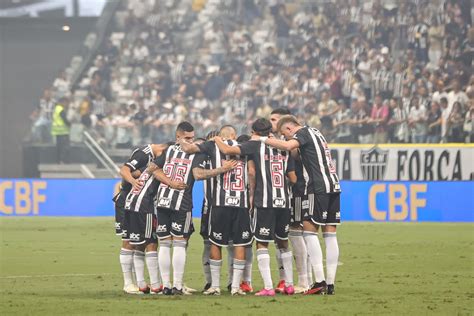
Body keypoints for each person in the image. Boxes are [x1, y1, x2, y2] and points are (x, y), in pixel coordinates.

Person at [151, 122, 237, 295]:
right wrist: (222, 169)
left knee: (166, 244)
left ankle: (167, 286)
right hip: (181, 202)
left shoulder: (168, 151)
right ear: (178, 136)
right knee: (178, 244)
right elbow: (198, 175)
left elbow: (153, 168)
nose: (191, 141)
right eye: (188, 138)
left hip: (162, 200)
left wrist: (168, 182)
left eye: (192, 137)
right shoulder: (195, 154)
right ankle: (174, 286)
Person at [214, 118, 297, 297]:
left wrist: (216, 139)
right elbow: (293, 178)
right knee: (283, 243)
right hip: (283, 201)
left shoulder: (253, 145)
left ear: (254, 131)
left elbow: (229, 151)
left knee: (262, 244)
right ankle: (289, 284)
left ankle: (268, 287)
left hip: (264, 202)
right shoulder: (283, 146)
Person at [262, 115, 341, 295]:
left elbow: (290, 146)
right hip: (334, 185)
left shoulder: (302, 133)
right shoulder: (316, 132)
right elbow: (297, 152)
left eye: (285, 134)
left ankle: (319, 281)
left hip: (317, 186)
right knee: (330, 235)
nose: (286, 138)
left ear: (290, 129)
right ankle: (330, 284)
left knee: (309, 231)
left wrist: (264, 139)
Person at [181, 125, 254, 296]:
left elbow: (188, 148)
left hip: (219, 204)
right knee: (240, 244)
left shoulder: (211, 145)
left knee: (215, 243)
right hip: (241, 204)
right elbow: (252, 173)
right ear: (234, 135)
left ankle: (214, 285)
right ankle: (235, 287)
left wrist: (182, 139)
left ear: (218, 136)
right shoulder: (245, 146)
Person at [115, 143, 172, 294]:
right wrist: (134, 180)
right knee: (146, 242)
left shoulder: (151, 161)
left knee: (137, 243)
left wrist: (140, 173)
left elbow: (131, 174)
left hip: (130, 201)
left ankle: (141, 284)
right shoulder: (144, 154)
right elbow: (124, 170)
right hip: (137, 203)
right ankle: (151, 285)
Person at [51, 97, 71, 163]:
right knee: (64, 147)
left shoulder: (56, 109)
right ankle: (63, 160)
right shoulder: (60, 109)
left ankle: (58, 161)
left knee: (59, 147)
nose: (67, 104)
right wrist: (69, 124)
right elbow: (64, 119)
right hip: (63, 131)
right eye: (66, 103)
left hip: (57, 131)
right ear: (63, 102)